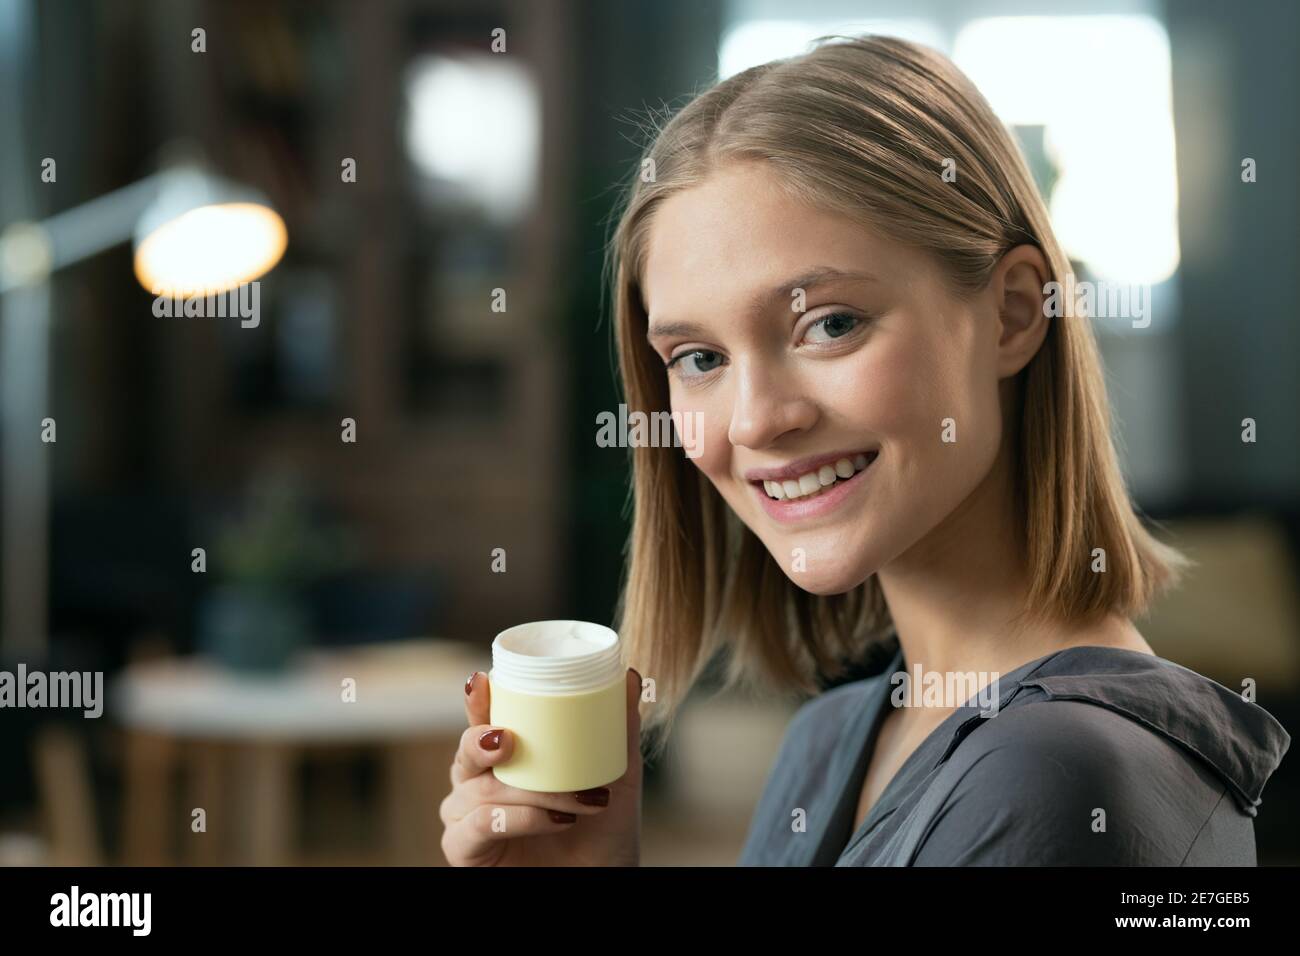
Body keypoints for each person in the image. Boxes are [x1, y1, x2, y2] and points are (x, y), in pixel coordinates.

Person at [439, 34, 1290, 867]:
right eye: (699, 359)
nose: (755, 422)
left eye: (830, 324)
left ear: (1014, 314)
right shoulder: (832, 738)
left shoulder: (1054, 776)